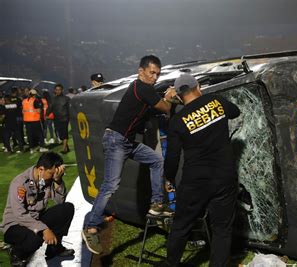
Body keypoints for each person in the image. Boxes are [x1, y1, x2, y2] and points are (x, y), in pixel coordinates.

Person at [82, 55, 177, 255]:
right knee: (111, 185)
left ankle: (157, 204)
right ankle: (91, 228)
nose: (155, 77)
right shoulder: (142, 88)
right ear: (140, 71)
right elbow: (166, 108)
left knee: (156, 160)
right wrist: (169, 97)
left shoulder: (141, 90)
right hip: (117, 141)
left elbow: (148, 113)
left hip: (125, 142)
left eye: (158, 74)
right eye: (152, 73)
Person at [163, 74, 240, 267]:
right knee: (222, 229)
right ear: (198, 86)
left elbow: (172, 157)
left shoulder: (177, 120)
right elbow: (235, 112)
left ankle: (172, 263)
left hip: (195, 181)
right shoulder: (215, 102)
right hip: (224, 177)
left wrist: (169, 179)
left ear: (179, 96)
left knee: (181, 226)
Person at [0, 152, 75, 266]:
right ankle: (16, 252)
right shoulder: (20, 182)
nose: (54, 176)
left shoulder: (48, 179)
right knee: (36, 238)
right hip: (15, 225)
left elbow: (60, 202)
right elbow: (20, 215)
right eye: (52, 173)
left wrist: (58, 181)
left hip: (36, 220)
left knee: (67, 209)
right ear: (41, 169)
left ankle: (54, 249)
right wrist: (44, 229)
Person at [22, 89, 48, 153]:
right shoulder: (35, 101)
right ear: (34, 95)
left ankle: (31, 148)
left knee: (30, 135)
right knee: (40, 134)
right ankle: (42, 147)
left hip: (27, 120)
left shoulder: (24, 101)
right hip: (35, 120)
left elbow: (23, 111)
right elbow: (39, 111)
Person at [47, 84, 70, 153]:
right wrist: (46, 114)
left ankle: (64, 149)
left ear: (62, 90)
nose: (58, 91)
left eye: (59, 89)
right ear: (54, 90)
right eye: (56, 90)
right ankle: (66, 146)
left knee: (64, 133)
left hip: (65, 118)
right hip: (57, 118)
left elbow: (70, 108)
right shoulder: (53, 99)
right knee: (60, 134)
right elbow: (50, 108)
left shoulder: (66, 98)